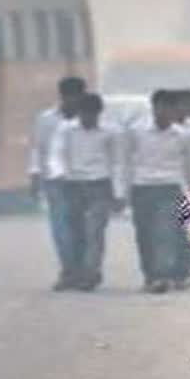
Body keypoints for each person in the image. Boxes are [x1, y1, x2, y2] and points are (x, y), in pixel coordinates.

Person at [125, 89, 190, 294]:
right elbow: (125, 162)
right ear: (153, 107)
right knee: (145, 234)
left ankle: (162, 275)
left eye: (169, 108)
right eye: (160, 107)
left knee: (164, 232)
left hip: (170, 187)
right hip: (141, 187)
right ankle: (150, 275)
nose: (164, 112)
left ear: (175, 110)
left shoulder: (185, 136)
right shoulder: (136, 132)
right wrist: (122, 191)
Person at [48, 93, 125, 291]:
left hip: (99, 185)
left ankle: (91, 273)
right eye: (85, 114)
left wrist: (118, 192)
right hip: (72, 185)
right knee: (74, 231)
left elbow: (117, 163)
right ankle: (73, 272)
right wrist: (59, 173)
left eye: (92, 115)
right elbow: (57, 154)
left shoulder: (111, 132)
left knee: (94, 231)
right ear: (79, 113)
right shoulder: (66, 130)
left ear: (98, 114)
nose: (88, 119)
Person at [29, 76, 87, 290]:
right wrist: (34, 175)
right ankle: (68, 270)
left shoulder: (90, 118)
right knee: (61, 227)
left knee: (82, 227)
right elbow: (38, 149)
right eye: (68, 97)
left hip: (84, 181)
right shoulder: (46, 119)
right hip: (56, 181)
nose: (71, 101)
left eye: (75, 97)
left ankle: (83, 268)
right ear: (62, 96)